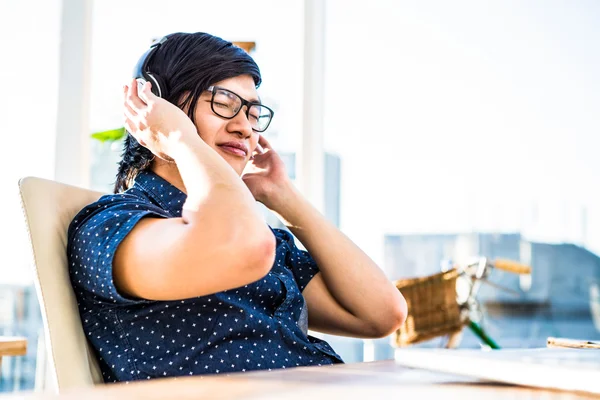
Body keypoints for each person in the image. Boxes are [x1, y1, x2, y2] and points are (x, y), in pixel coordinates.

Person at [67, 31, 407, 383]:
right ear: (158, 106)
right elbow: (244, 247)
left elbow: (381, 314)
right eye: (224, 104)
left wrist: (281, 194)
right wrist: (177, 137)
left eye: (254, 114)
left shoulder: (260, 238)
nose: (245, 127)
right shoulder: (110, 225)